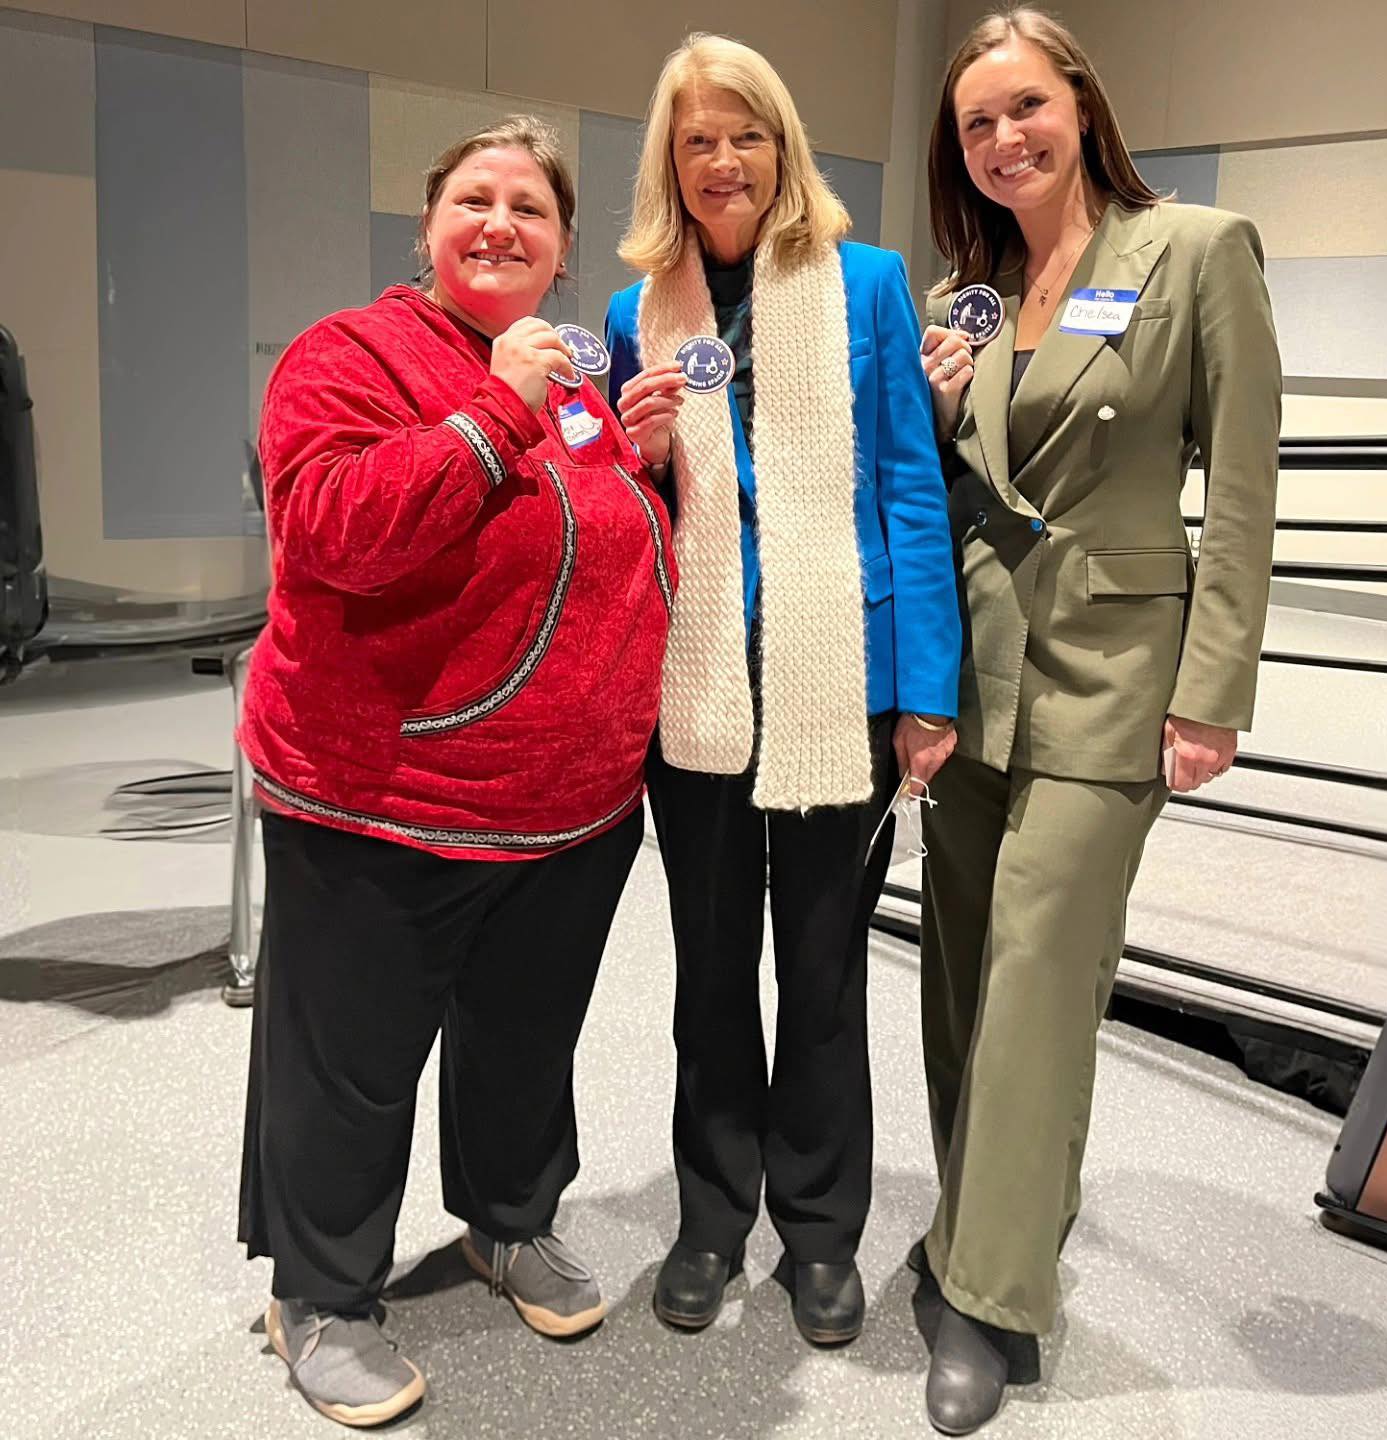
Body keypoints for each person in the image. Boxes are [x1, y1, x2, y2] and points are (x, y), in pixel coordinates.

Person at [237, 117, 675, 1428]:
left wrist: (641, 461)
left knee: (525, 1043)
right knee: (354, 1063)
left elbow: (596, 538)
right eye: (475, 200)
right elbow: (330, 528)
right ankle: (321, 1294)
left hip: (571, 807)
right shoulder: (350, 354)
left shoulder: (574, 383)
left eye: (530, 209)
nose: (500, 224)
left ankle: (507, 1220)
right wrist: (497, 410)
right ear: (427, 227)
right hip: (385, 797)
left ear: (564, 249)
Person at [915, 6, 1281, 1432]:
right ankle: (970, 1220)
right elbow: (950, 490)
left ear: (1080, 103)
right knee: (959, 970)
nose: (1004, 138)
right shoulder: (972, 295)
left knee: (1040, 979)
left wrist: (1212, 690)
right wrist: (940, 411)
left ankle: (989, 1295)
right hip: (975, 673)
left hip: (1116, 669)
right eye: (976, 123)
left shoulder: (1195, 252)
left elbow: (1241, 487)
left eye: (1025, 107)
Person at [606, 34, 962, 1346]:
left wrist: (929, 689)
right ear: (671, 159)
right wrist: (639, 455)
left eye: (745, 134)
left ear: (783, 146)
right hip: (696, 680)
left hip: (838, 681)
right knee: (710, 975)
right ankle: (711, 1220)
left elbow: (911, 489)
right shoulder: (634, 313)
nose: (723, 161)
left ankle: (818, 1232)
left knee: (820, 977)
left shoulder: (867, 285)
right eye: (697, 139)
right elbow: (626, 510)